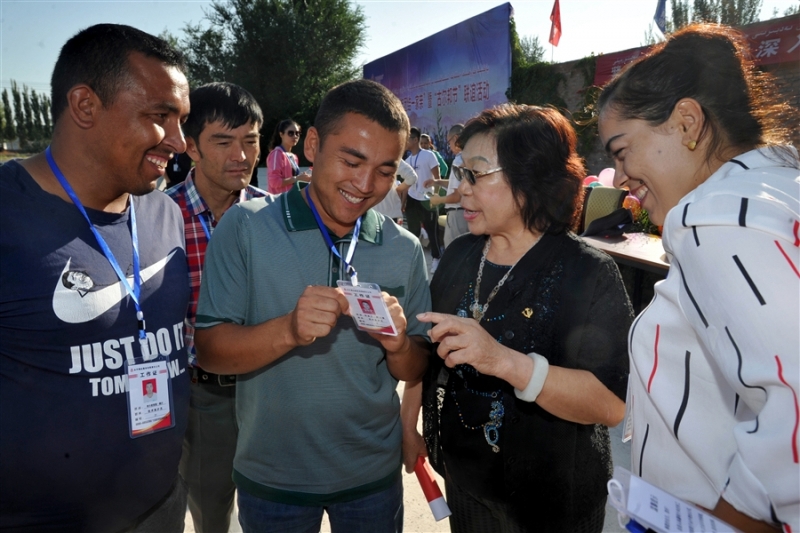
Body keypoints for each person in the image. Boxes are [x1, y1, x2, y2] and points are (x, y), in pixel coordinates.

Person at [194, 78, 431, 533]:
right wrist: (289, 330)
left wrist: (399, 346)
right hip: (272, 479)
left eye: (386, 170)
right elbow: (209, 349)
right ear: (313, 145)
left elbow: (415, 368)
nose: (365, 185)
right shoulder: (246, 226)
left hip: (372, 479)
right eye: (351, 160)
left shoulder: (403, 248)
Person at [598, 24, 799, 533]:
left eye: (622, 152)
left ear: (687, 121)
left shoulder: (712, 216)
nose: (619, 178)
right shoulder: (775, 185)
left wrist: (732, 520)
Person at [402, 104, 633, 532]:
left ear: (529, 177)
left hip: (552, 499)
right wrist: (408, 424)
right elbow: (428, 348)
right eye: (460, 172)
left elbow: (610, 404)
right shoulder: (459, 255)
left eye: (476, 174)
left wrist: (507, 362)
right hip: (466, 483)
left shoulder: (586, 272)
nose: (461, 189)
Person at [0, 24, 191, 532]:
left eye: (182, 120)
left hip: (162, 507)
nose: (179, 140)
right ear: (85, 105)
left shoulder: (163, 212)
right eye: (159, 117)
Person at [166, 81, 266, 533]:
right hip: (201, 396)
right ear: (191, 147)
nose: (240, 156)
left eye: (250, 141)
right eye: (223, 142)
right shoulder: (156, 220)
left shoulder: (276, 218)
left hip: (271, 390)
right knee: (210, 511)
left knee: (275, 508)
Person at [404, 127, 443, 273]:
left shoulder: (429, 155)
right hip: (412, 198)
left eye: (408, 138)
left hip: (427, 198)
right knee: (412, 231)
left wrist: (436, 196)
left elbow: (437, 177)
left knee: (432, 231)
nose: (405, 141)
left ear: (415, 140)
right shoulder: (407, 160)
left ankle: (436, 258)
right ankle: (414, 259)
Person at [429, 124, 469, 248]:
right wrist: (438, 181)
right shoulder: (468, 158)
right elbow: (457, 186)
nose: (449, 146)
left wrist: (438, 200)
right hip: (465, 213)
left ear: (456, 138)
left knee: (453, 254)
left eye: (449, 142)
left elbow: (457, 196)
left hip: (457, 214)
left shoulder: (458, 162)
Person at [267, 118, 311, 194]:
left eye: (297, 133)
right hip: (279, 201)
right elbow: (274, 182)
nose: (295, 136)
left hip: (290, 199)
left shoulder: (294, 157)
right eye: (291, 133)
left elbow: (292, 181)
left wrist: (304, 178)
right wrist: (297, 178)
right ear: (281, 134)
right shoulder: (277, 154)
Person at [373, 158, 418, 224]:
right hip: (390, 213)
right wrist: (399, 189)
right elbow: (412, 177)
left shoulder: (359, 152)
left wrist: (398, 189)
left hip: (366, 214)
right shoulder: (390, 154)